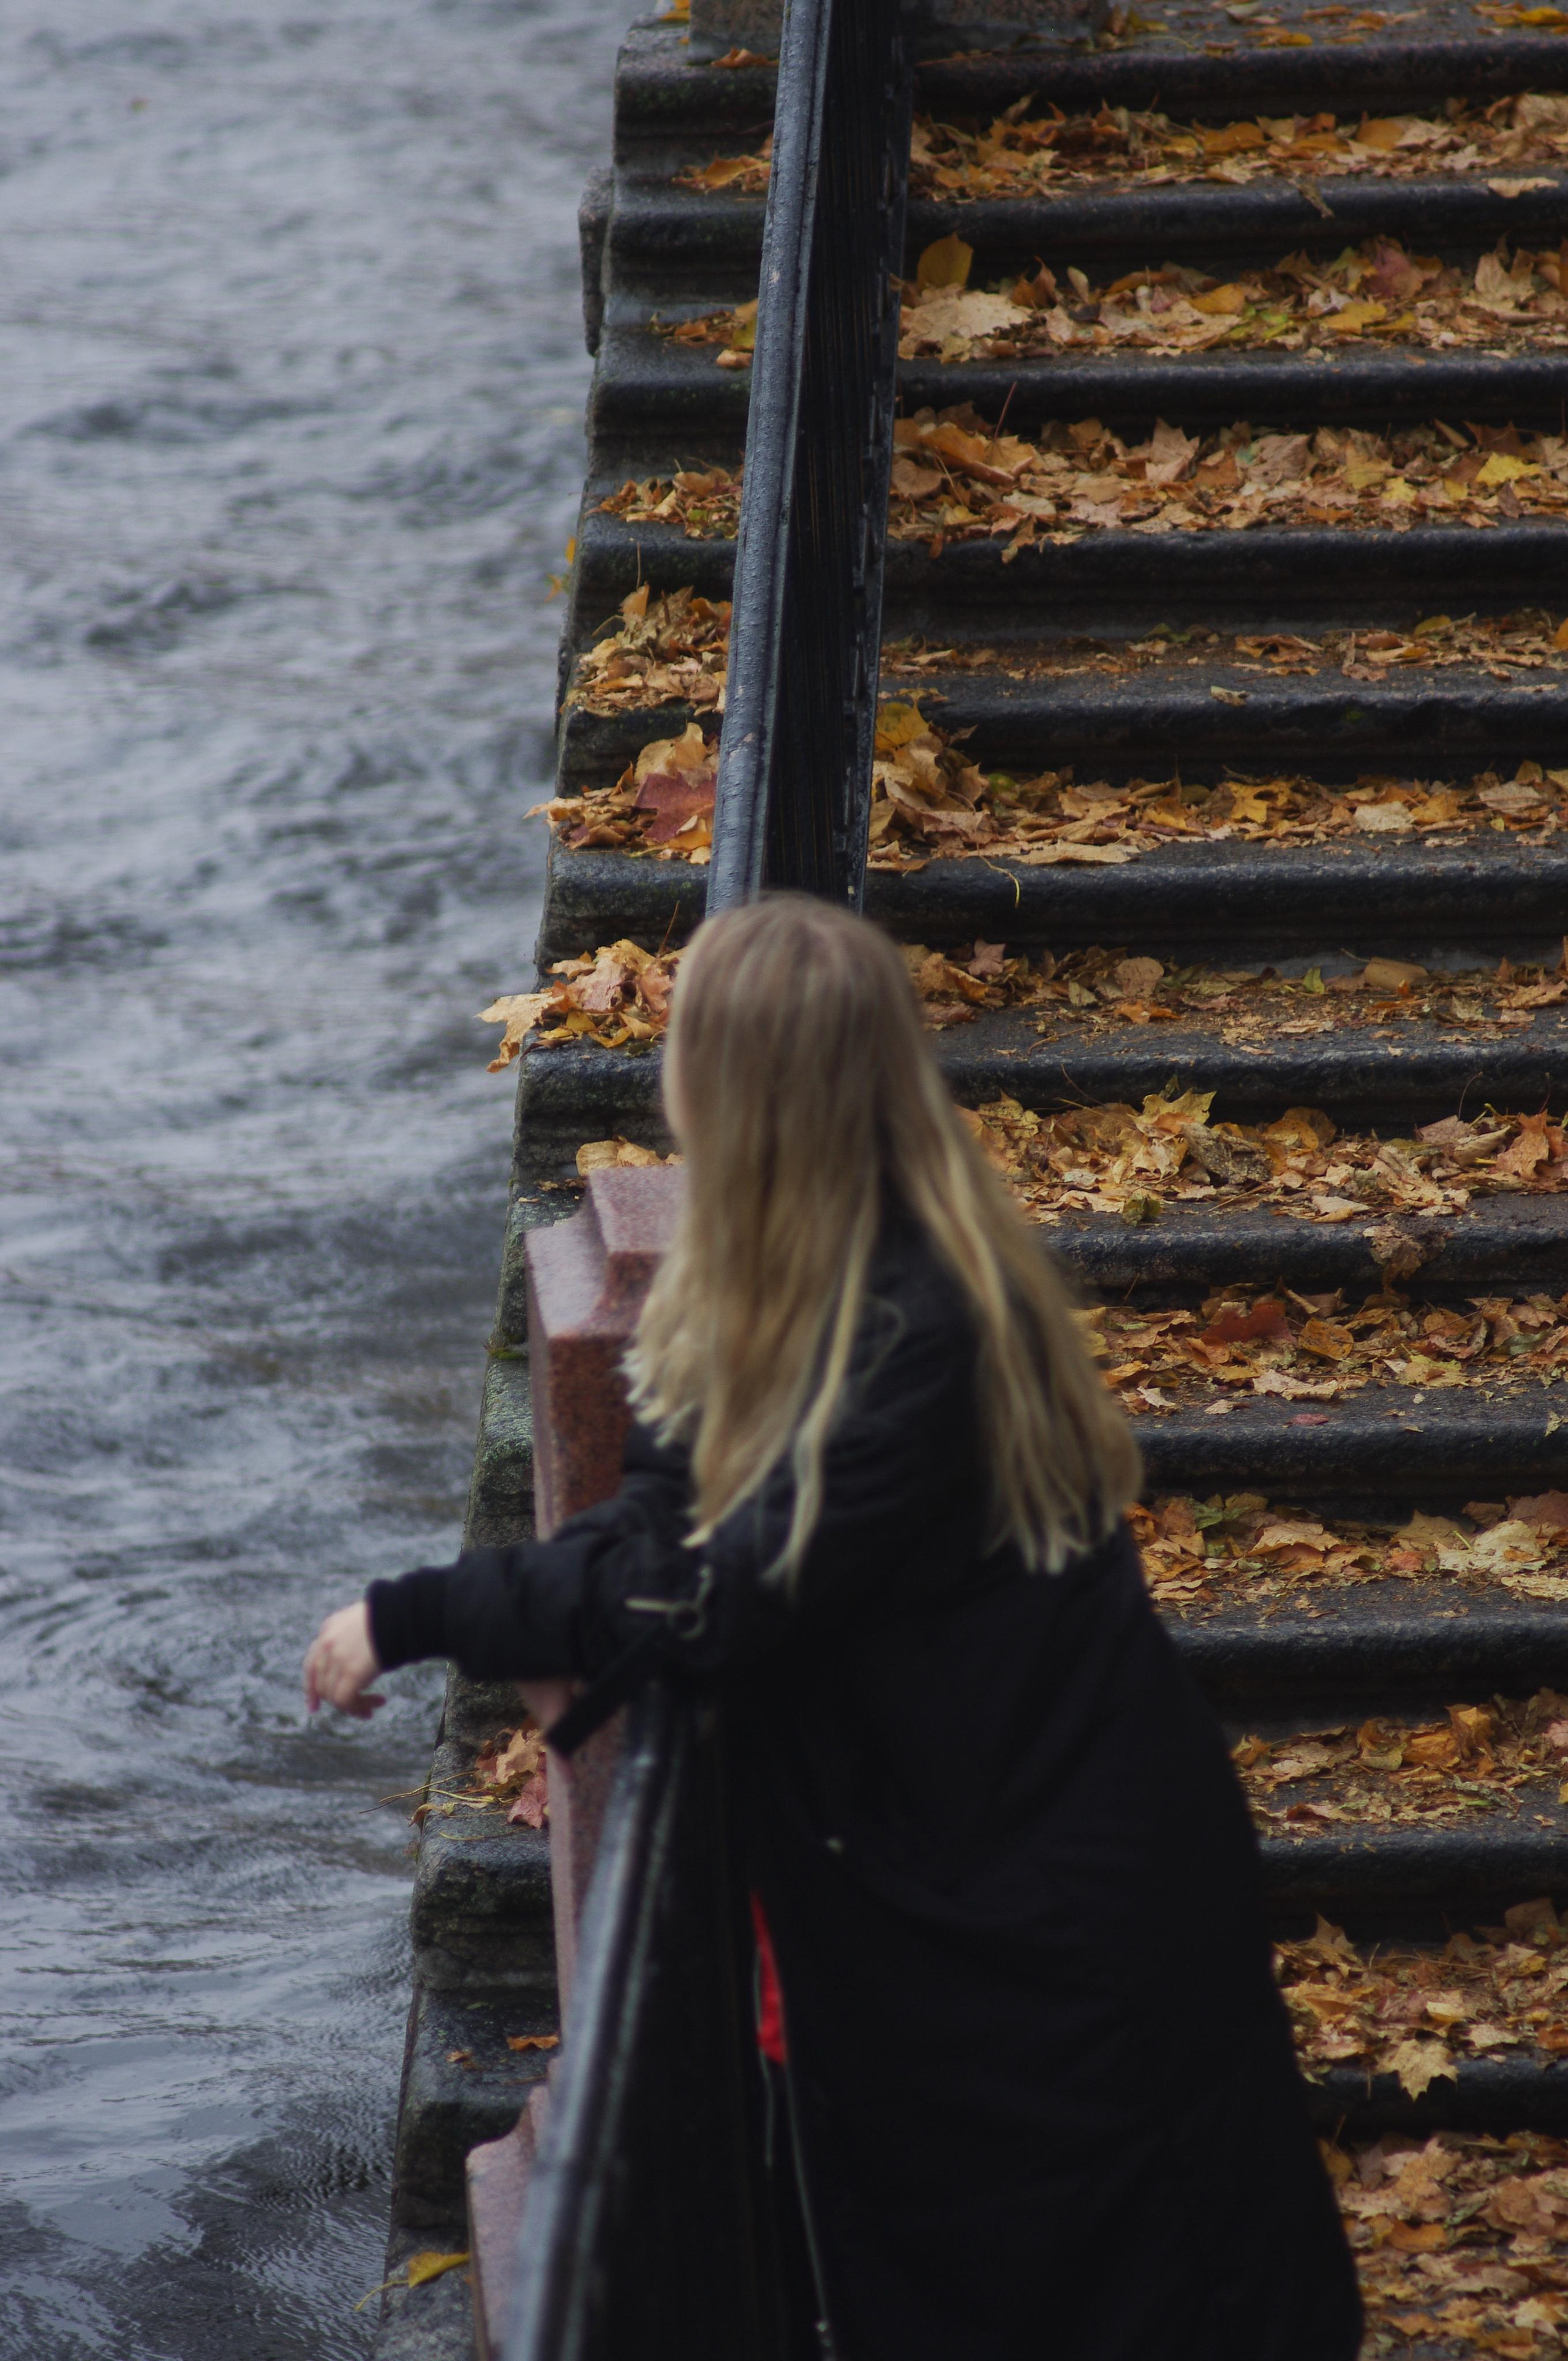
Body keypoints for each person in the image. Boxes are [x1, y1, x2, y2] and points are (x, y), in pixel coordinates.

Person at [304, 894, 1362, 2361]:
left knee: (1129, 2289)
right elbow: (659, 1524)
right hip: (973, 1871)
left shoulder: (907, 1323)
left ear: (733, 1088)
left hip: (1057, 1922)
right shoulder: (799, 1275)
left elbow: (706, 1593)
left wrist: (422, 1612)